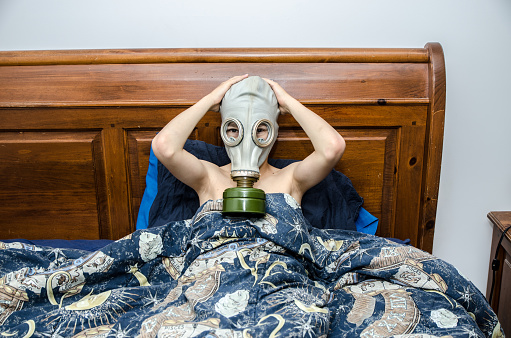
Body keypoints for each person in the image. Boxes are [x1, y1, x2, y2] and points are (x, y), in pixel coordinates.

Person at [151, 74, 346, 207]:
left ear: (274, 132)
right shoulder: (208, 177)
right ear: (223, 131)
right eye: (233, 129)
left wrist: (287, 102)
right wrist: (211, 99)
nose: (246, 139)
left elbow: (332, 148)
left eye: (260, 129)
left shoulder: (291, 179)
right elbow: (164, 147)